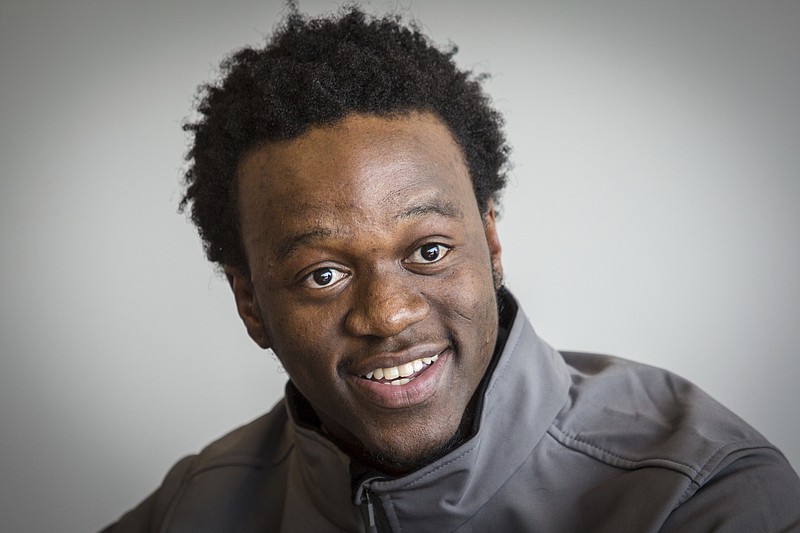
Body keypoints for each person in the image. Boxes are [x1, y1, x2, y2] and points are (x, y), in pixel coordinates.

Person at [103, 5, 800, 532]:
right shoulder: (196, 504)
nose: (389, 314)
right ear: (251, 303)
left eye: (428, 251)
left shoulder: (694, 492)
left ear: (490, 243)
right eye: (323, 274)